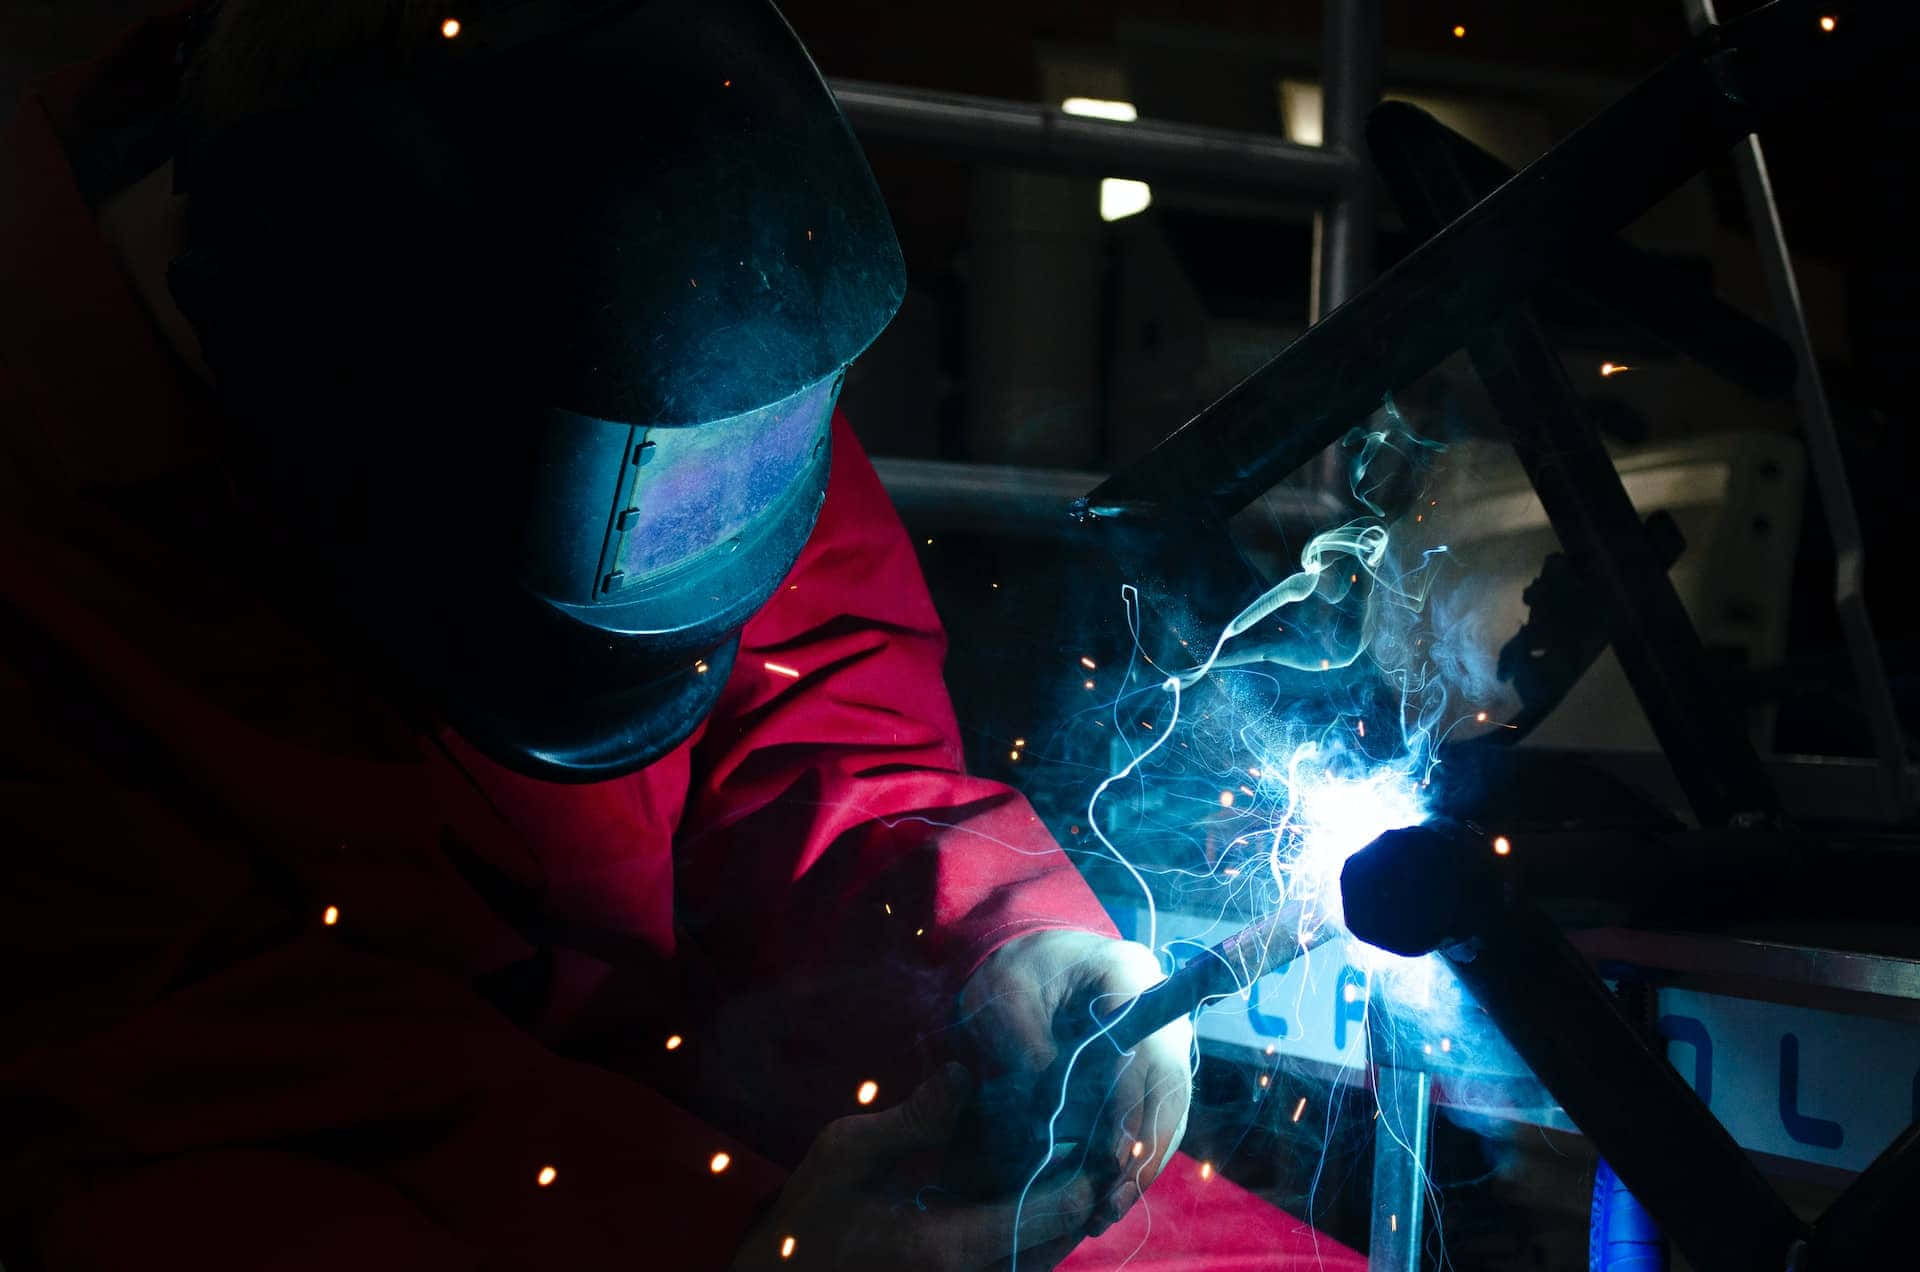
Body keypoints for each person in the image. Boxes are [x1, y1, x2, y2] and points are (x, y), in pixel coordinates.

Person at [0, 3, 1365, 1268]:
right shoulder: (54, 544)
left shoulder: (635, 279)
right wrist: (733, 1246)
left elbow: (822, 710)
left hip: (767, 1145)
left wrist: (993, 943)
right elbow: (186, 1137)